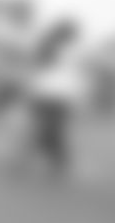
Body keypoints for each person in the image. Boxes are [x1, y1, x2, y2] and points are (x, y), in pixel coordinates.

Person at [21, 18, 86, 176]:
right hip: (49, 94)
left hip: (57, 95)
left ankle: (56, 163)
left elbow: (42, 67)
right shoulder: (56, 48)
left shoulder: (64, 49)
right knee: (45, 130)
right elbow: (39, 68)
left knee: (48, 131)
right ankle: (51, 162)